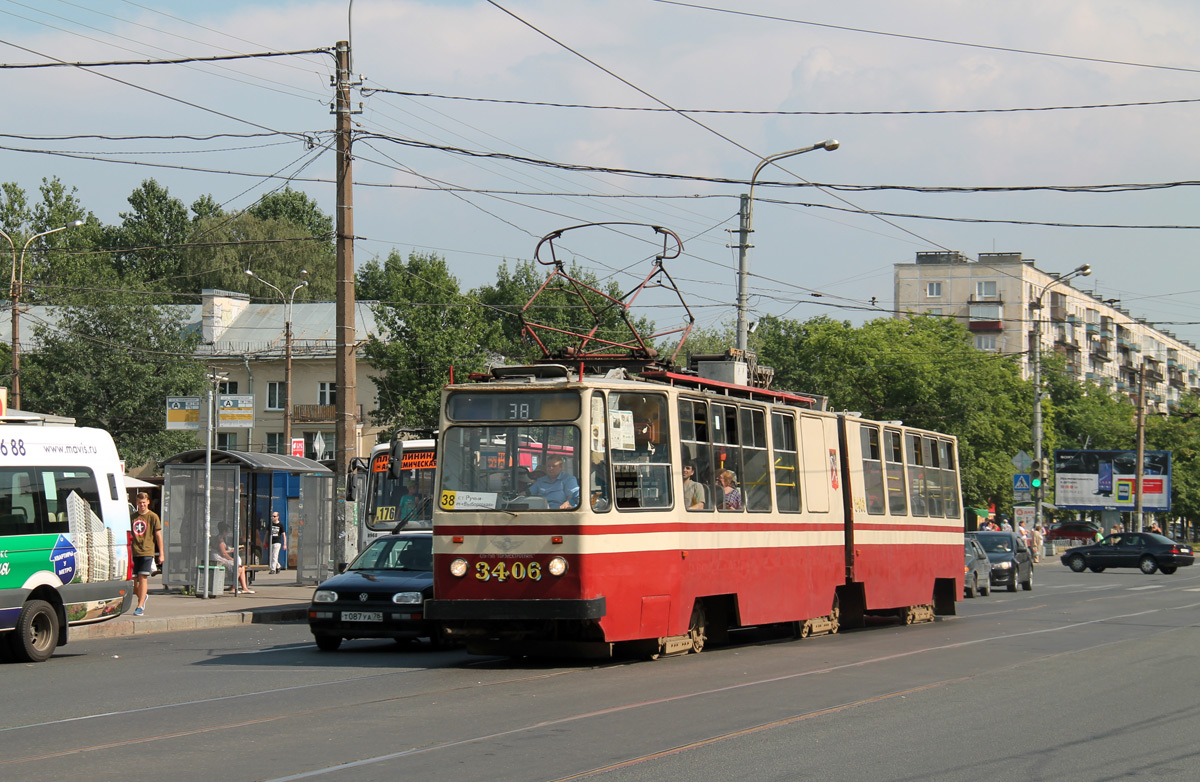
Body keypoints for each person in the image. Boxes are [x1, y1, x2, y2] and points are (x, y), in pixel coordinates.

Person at [129, 492, 163, 616]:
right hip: (134, 552)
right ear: (136, 503)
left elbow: (158, 536)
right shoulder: (132, 517)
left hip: (147, 551)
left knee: (143, 578)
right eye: (139, 503)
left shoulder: (153, 517)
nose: (142, 505)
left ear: (148, 502)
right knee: (133, 581)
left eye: (144, 502)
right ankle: (143, 597)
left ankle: (140, 605)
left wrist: (161, 554)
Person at [213, 521, 253, 593]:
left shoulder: (220, 539)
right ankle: (233, 587)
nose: (227, 534)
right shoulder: (220, 540)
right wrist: (232, 559)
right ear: (224, 531)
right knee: (239, 568)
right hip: (218, 559)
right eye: (227, 532)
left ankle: (244, 588)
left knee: (242, 567)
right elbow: (223, 554)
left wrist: (231, 551)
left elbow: (222, 552)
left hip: (219, 557)